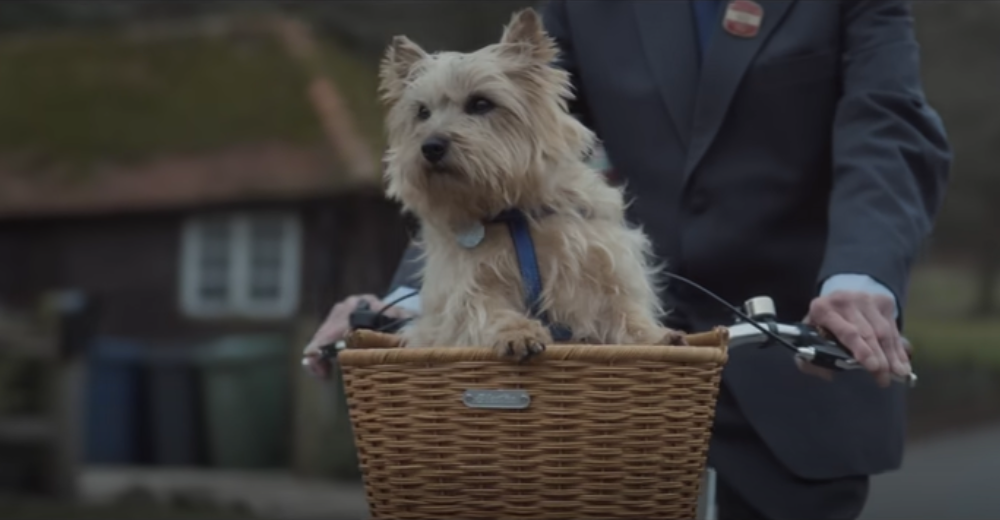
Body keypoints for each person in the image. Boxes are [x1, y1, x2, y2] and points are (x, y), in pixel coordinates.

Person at [303, 1, 952, 518]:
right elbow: (502, 165)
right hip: (597, 371)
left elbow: (887, 127)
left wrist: (860, 278)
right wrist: (404, 302)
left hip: (796, 349)